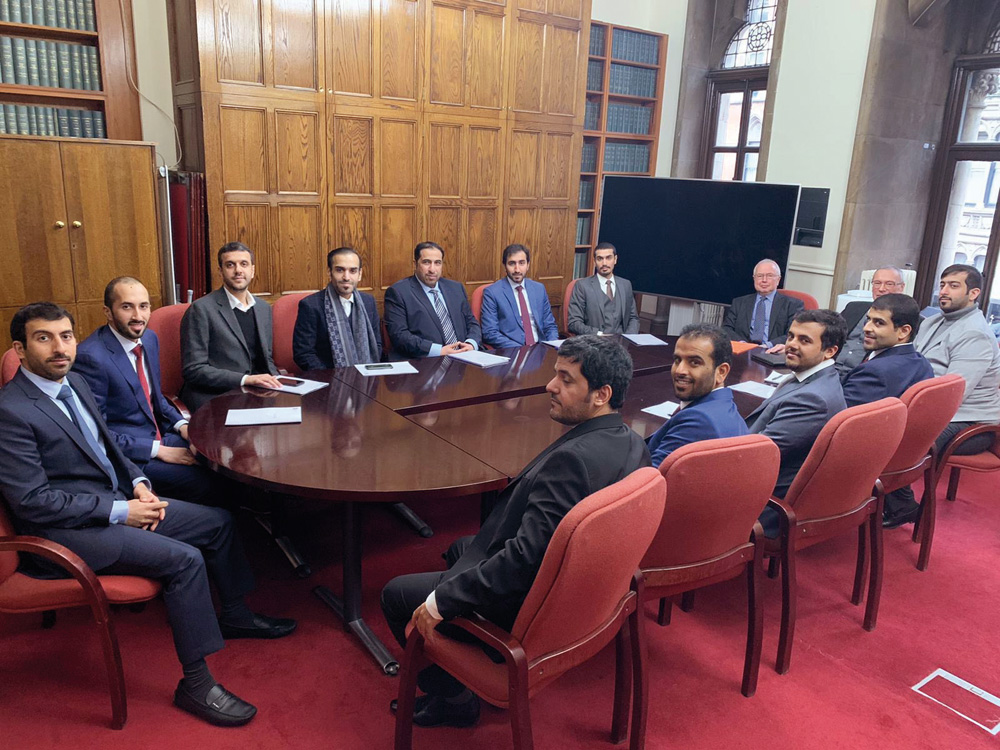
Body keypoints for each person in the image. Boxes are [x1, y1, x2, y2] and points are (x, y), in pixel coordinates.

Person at [0, 303, 296, 727]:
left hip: (116, 500)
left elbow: (109, 450)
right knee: (184, 560)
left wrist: (138, 483)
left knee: (217, 522)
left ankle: (234, 613)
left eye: (66, 336)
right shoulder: (11, 410)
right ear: (20, 348)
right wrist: (122, 511)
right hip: (63, 532)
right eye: (43, 338)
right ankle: (195, 683)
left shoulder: (76, 383)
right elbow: (33, 502)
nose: (59, 347)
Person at [380, 336, 650, 728]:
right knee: (461, 548)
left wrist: (442, 601)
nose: (550, 386)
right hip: (582, 595)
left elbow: (523, 560)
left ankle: (455, 699)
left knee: (395, 595)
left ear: (600, 394)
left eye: (565, 379)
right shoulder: (632, 444)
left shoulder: (572, 462)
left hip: (527, 606)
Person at [74, 277, 229, 506]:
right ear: (108, 312)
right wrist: (159, 451)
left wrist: (185, 427)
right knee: (208, 482)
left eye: (144, 306)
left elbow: (156, 399)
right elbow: (97, 434)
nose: (138, 316)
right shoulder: (91, 358)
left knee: (222, 458)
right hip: (131, 457)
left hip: (162, 435)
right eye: (127, 307)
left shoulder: (148, 338)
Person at [883, 264, 1000, 528]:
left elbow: (951, 394)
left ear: (974, 294)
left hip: (970, 423)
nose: (944, 291)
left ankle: (901, 506)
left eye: (953, 286)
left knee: (896, 441)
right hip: (926, 407)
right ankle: (882, 499)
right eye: (943, 284)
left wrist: (901, 409)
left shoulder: (975, 334)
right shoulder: (933, 321)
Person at [745, 310, 848, 535]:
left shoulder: (813, 400)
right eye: (791, 336)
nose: (791, 344)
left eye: (804, 340)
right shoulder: (817, 378)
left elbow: (755, 458)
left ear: (829, 351)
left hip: (763, 503)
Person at [180, 242, 282, 413]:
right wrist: (246, 379)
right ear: (220, 271)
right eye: (230, 265)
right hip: (217, 397)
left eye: (244, 264)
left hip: (258, 395)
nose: (238, 271)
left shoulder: (263, 308)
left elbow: (266, 359)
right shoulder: (201, 309)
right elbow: (193, 370)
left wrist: (281, 383)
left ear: (252, 270)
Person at [646, 324, 748, 468]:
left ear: (721, 372)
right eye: (677, 360)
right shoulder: (726, 407)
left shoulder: (698, 422)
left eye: (694, 362)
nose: (680, 370)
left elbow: (647, 481)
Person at [383, 241, 482, 359]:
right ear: (415, 264)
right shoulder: (398, 292)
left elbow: (471, 322)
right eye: (426, 262)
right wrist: (439, 350)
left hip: (463, 357)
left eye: (437, 263)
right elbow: (399, 336)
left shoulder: (456, 288)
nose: (432, 269)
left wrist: (471, 344)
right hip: (423, 361)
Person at [292, 246, 382, 371]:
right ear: (329, 272)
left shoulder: (368, 302)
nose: (346, 277)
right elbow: (304, 354)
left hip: (367, 378)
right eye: (340, 270)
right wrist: (334, 377)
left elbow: (376, 344)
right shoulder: (311, 305)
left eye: (353, 271)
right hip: (329, 380)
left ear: (360, 274)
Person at [841, 294, 934, 408]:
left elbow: (837, 414)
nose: (866, 328)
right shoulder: (922, 363)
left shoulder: (873, 372)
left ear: (904, 331)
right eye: (868, 319)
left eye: (879, 323)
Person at [480, 244, 559, 348]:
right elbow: (490, 332)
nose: (517, 269)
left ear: (528, 265)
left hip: (541, 349)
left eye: (522, 263)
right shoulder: (492, 293)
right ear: (505, 266)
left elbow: (549, 325)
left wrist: (553, 346)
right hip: (513, 351)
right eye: (512, 264)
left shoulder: (539, 289)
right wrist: (522, 350)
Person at [835, 266, 907, 377]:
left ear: (901, 287)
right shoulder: (854, 308)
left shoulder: (906, 321)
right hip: (831, 368)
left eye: (889, 284)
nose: (882, 289)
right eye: (877, 283)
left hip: (863, 374)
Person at [722, 259, 804, 352]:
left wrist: (767, 346)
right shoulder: (739, 302)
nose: (764, 280)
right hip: (742, 351)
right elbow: (726, 328)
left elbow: (793, 334)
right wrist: (742, 344)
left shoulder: (793, 305)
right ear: (754, 279)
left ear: (778, 279)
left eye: (770, 276)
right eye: (760, 276)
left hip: (773, 352)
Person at [567, 242, 640, 335]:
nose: (604, 263)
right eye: (600, 259)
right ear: (594, 261)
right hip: (595, 342)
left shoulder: (625, 285)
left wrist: (629, 338)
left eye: (608, 258)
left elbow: (633, 318)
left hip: (622, 343)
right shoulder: (582, 286)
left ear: (615, 259)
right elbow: (574, 323)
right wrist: (599, 335)